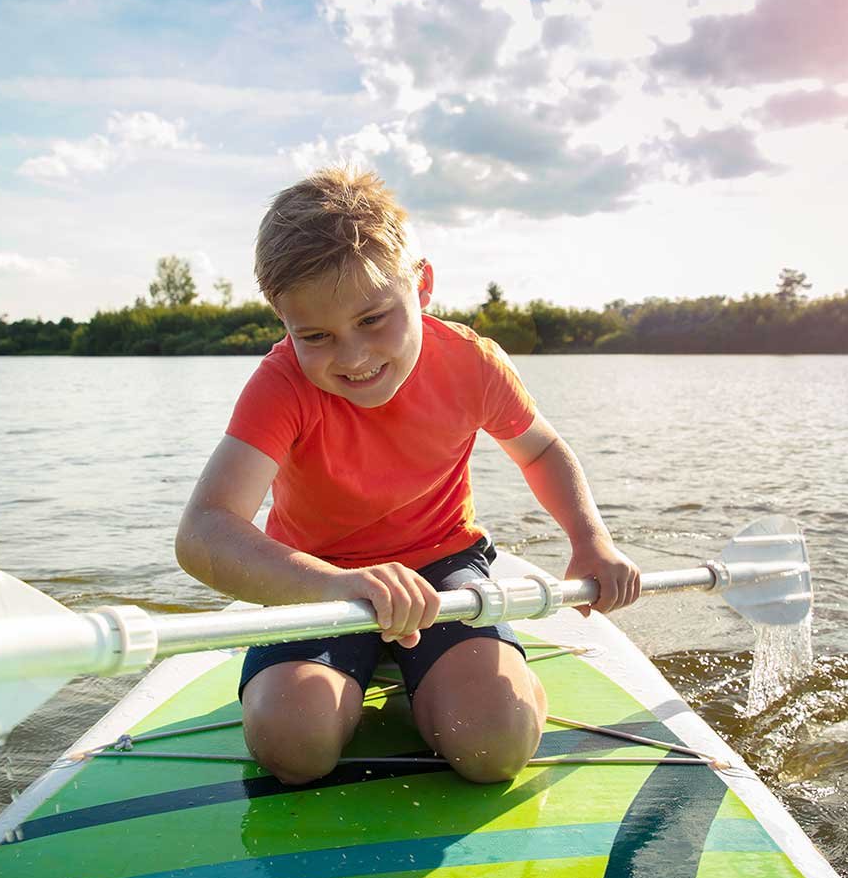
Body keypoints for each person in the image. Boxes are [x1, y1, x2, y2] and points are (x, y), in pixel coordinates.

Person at [175, 166, 640, 787]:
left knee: (496, 748)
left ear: (420, 287)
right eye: (315, 335)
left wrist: (591, 541)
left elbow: (541, 450)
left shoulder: (471, 363)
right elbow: (204, 529)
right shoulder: (281, 384)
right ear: (283, 323)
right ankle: (371, 670)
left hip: (444, 569)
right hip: (320, 576)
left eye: (373, 319)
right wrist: (338, 584)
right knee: (294, 748)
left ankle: (434, 679)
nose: (353, 357)